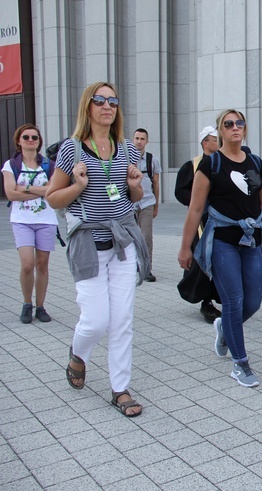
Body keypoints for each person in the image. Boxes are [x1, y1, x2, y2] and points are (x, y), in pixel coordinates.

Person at [46, 81, 148, 417]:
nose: (107, 106)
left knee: (122, 320)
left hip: (122, 242)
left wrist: (135, 186)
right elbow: (52, 198)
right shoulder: (71, 149)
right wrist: (78, 185)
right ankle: (78, 352)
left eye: (113, 101)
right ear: (87, 106)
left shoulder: (129, 150)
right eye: (99, 100)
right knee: (95, 320)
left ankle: (120, 388)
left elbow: (134, 198)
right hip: (88, 242)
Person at [178, 110, 262, 388]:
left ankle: (224, 328)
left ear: (245, 128)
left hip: (251, 240)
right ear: (220, 130)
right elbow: (196, 208)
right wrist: (185, 248)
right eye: (228, 123)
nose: (235, 127)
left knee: (252, 302)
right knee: (232, 301)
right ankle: (240, 363)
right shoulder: (211, 163)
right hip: (222, 240)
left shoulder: (255, 163)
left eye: (239, 123)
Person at [2, 124, 58, 323]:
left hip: (46, 220)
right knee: (27, 264)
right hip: (22, 220)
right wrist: (39, 189)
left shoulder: (49, 165)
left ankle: (40, 306)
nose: (30, 140)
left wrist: (24, 187)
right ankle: (27, 302)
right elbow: (10, 193)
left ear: (39, 141)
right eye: (26, 137)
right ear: (19, 140)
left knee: (42, 265)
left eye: (34, 137)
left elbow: (51, 191)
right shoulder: (11, 165)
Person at [174, 126, 223, 323]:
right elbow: (180, 192)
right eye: (214, 139)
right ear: (205, 143)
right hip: (201, 223)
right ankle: (206, 301)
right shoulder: (192, 166)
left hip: (222, 221)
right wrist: (199, 199)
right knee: (202, 261)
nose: (217, 142)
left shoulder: (223, 163)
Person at [132, 128, 160, 282]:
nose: (139, 141)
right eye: (136, 138)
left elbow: (156, 183)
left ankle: (147, 269)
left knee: (146, 237)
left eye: (142, 139)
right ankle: (133, 264)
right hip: (130, 204)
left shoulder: (152, 160)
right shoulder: (125, 159)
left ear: (147, 142)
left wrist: (156, 205)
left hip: (147, 202)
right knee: (130, 237)